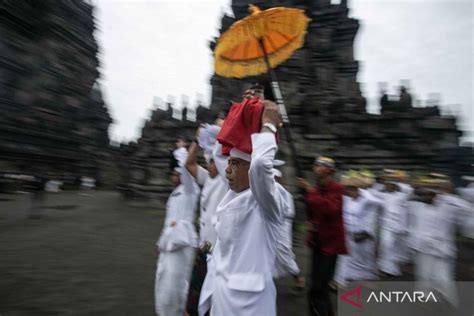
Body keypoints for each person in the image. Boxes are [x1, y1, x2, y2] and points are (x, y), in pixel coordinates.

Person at [199, 100, 284, 316]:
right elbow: (220, 155)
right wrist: (236, 119)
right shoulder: (232, 194)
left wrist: (268, 126)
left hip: (249, 307)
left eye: (234, 165)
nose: (226, 170)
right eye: (229, 164)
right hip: (221, 300)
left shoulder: (266, 203)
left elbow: (260, 165)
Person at [408, 174, 473, 306]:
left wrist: (446, 193)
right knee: (424, 275)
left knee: (443, 277)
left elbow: (467, 208)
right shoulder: (417, 206)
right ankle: (424, 299)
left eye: (430, 193)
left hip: (442, 248)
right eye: (424, 194)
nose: (426, 197)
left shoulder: (448, 206)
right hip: (423, 247)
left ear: (437, 194)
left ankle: (447, 300)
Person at [297, 156, 347, 316]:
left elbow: (331, 209)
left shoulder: (337, 188)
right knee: (315, 287)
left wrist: (310, 192)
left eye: (320, 165)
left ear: (329, 170)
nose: (316, 167)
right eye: (315, 164)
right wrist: (311, 222)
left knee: (320, 287)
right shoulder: (317, 188)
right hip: (317, 242)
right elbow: (313, 209)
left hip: (330, 245)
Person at [155, 140, 200, 316]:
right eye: (172, 174)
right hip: (169, 243)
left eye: (176, 174)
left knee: (177, 282)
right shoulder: (174, 195)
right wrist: (160, 243)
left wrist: (182, 150)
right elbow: (168, 222)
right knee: (164, 279)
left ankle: (178, 311)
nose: (173, 177)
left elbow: (187, 167)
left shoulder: (191, 189)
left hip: (183, 243)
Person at [336, 172, 380, 286]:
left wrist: (365, 232)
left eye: (352, 189)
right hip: (347, 232)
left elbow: (372, 213)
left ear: (358, 189)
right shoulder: (346, 199)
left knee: (364, 257)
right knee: (344, 257)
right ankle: (341, 279)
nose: (349, 192)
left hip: (362, 233)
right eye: (348, 189)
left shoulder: (367, 200)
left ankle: (365, 277)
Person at [272, 162, 305, 292]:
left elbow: (289, 213)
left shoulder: (285, 193)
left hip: (282, 227)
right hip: (270, 226)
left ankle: (298, 277)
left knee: (284, 252)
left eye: (275, 178)